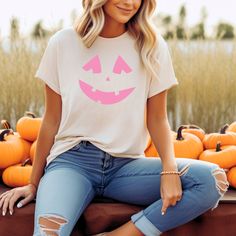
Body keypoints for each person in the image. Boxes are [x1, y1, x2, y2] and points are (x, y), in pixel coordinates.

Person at [0, 1, 229, 235]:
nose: (130, 3)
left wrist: (169, 170)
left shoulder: (152, 46)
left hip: (127, 166)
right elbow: (51, 120)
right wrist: (34, 183)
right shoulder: (63, 43)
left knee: (212, 180)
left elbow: (158, 118)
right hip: (72, 163)